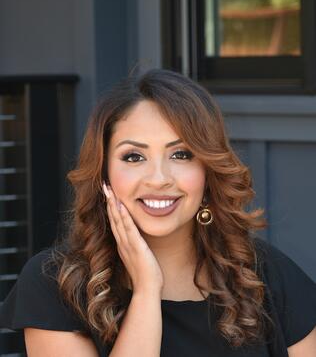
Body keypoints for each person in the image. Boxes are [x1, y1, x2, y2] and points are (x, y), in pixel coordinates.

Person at [0, 69, 315, 357]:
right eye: (134, 157)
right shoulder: (54, 285)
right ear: (104, 174)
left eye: (181, 154)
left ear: (208, 172)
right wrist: (148, 290)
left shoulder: (264, 274)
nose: (159, 178)